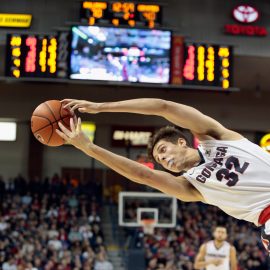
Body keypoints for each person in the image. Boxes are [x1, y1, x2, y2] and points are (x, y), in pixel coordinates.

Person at [56, 98, 270, 252]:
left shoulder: (216, 136)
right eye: (159, 160)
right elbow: (143, 175)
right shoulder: (191, 186)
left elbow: (163, 106)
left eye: (163, 150)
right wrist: (89, 148)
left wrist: (101, 107)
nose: (163, 159)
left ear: (181, 141)